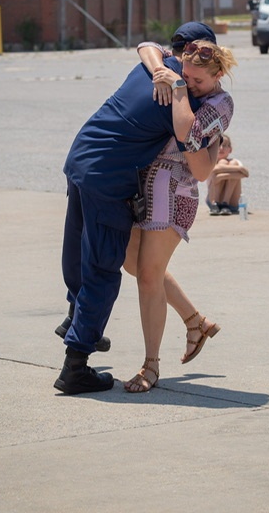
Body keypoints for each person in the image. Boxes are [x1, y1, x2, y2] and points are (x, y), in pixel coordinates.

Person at [54, 24, 221, 395]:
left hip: (81, 156)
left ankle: (74, 320)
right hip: (108, 178)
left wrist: (161, 65)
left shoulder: (150, 65)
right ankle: (75, 365)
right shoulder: (181, 98)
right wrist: (216, 141)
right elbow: (199, 161)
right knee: (103, 268)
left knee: (79, 250)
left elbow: (146, 45)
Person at [122, 40, 237, 392]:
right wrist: (163, 68)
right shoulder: (184, 76)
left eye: (197, 80)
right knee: (132, 263)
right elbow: (146, 45)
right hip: (145, 187)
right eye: (186, 76)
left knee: (147, 276)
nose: (190, 83)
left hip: (175, 193)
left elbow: (187, 131)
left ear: (218, 75)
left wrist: (175, 85)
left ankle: (150, 366)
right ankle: (195, 321)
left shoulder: (221, 103)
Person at [206, 134, 249, 215]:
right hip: (213, 200)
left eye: (225, 145)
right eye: (219, 145)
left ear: (230, 149)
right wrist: (239, 169)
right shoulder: (211, 162)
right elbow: (215, 170)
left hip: (232, 202)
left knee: (232, 163)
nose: (221, 148)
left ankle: (225, 203)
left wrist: (222, 176)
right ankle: (217, 204)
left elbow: (246, 174)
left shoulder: (235, 162)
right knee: (223, 163)